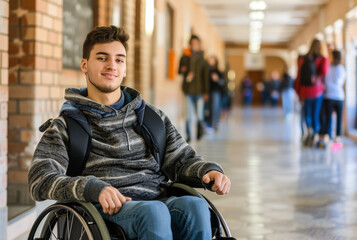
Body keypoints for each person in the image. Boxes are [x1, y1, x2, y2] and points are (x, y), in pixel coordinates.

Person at [28, 26, 231, 240]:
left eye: (119, 60)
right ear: (84, 65)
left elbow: (181, 160)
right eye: (102, 58)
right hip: (105, 213)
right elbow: (39, 180)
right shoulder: (67, 126)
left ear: (125, 69)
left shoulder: (151, 117)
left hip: (158, 200)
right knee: (153, 212)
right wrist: (91, 188)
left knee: (195, 205)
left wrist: (207, 171)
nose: (111, 66)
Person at [295, 38, 329, 147]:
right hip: (317, 91)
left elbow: (299, 77)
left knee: (307, 114)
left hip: (305, 92)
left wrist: (298, 92)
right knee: (316, 114)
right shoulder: (322, 59)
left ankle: (309, 131)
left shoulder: (303, 59)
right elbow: (324, 72)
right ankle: (315, 134)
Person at [179, 35, 209, 142]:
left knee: (199, 114)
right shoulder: (184, 57)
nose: (194, 45)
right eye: (192, 43)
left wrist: (206, 92)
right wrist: (185, 71)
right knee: (188, 115)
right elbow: (179, 71)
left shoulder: (202, 60)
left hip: (199, 91)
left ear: (199, 45)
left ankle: (199, 133)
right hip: (188, 90)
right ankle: (188, 135)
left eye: (196, 44)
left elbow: (205, 77)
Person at [316, 50, 346, 148]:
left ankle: (328, 138)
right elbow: (340, 82)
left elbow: (324, 80)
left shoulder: (328, 68)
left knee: (328, 119)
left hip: (329, 96)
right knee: (338, 118)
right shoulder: (342, 69)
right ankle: (337, 138)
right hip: (339, 96)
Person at [206, 56, 225, 130]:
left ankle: (215, 123)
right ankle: (209, 123)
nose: (211, 62)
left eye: (212, 60)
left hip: (216, 92)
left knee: (215, 108)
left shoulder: (218, 71)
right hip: (208, 92)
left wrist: (217, 79)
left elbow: (222, 83)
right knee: (208, 108)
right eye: (210, 60)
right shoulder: (207, 71)